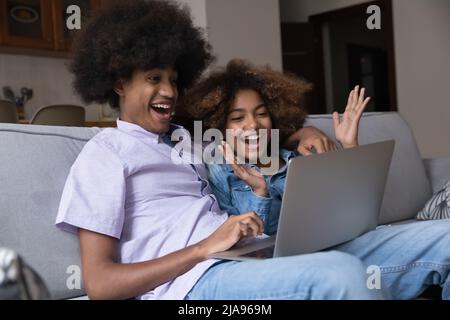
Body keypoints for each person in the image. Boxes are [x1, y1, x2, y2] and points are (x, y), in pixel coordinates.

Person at [55, 0, 385, 300]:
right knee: (341, 273)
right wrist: (203, 248)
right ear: (120, 84)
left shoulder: (187, 140)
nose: (169, 91)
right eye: (154, 78)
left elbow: (248, 136)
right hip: (195, 281)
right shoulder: (106, 153)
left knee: (426, 246)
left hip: (248, 254)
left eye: (173, 79)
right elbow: (100, 286)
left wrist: (302, 133)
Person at [181, 59, 450, 299]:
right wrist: (260, 192)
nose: (253, 124)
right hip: (295, 267)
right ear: (218, 126)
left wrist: (349, 146)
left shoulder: (292, 158)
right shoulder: (219, 168)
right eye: (238, 118)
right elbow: (256, 242)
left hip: (341, 248)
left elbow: (352, 213)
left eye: (261, 113)